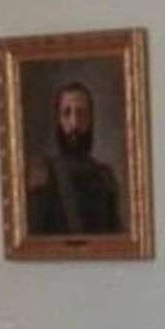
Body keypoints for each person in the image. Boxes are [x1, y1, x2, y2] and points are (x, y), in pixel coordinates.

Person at [25, 79, 124, 235]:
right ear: (58, 120)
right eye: (67, 113)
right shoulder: (44, 175)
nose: (74, 123)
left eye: (81, 114)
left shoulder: (105, 178)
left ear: (91, 120)